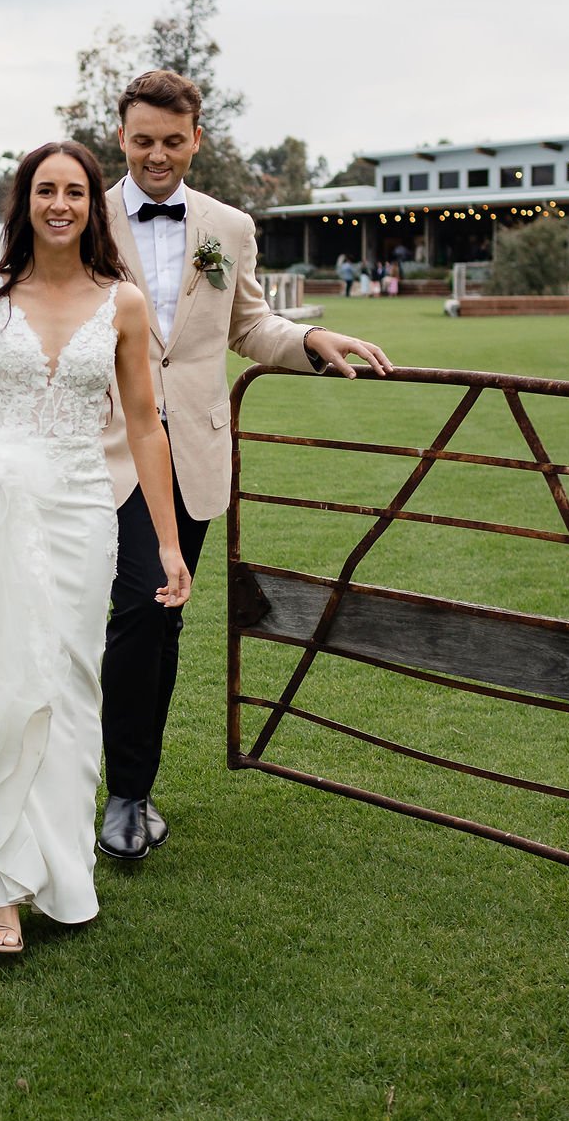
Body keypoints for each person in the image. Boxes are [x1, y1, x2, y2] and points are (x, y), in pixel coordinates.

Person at [0, 140, 190, 955]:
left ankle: (63, 873)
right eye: (46, 190)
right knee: (5, 688)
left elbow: (146, 426)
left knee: (72, 686)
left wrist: (166, 542)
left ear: (92, 206)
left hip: (84, 513)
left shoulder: (122, 303)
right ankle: (2, 890)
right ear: (25, 202)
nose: (61, 204)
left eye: (76, 192)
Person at [96, 70, 393, 861]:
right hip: (99, 448)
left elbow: (249, 323)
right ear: (120, 137)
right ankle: (118, 791)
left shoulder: (228, 226)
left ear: (196, 138)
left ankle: (132, 787)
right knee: (133, 608)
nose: (157, 155)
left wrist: (308, 344)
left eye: (172, 140)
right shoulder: (77, 214)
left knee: (159, 619)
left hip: (191, 450)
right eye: (142, 140)